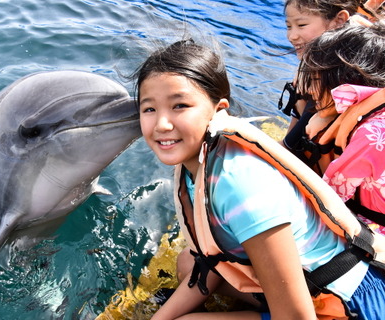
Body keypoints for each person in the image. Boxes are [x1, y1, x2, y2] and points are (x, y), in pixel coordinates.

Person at [132, 39, 385, 319]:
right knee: (186, 266)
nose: (162, 124)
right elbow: (211, 262)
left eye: (179, 105)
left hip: (355, 306)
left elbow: (296, 317)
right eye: (149, 109)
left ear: (218, 110)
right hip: (313, 289)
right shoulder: (202, 160)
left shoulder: (239, 183)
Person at [295, 22, 385, 235]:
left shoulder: (371, 135)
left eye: (316, 78)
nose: (308, 89)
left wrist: (315, 134)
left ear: (345, 81)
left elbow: (328, 202)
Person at [279, 0, 362, 175]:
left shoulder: (343, 76)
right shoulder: (311, 65)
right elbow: (290, 139)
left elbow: (287, 149)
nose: (291, 36)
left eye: (301, 25)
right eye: (288, 26)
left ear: (339, 20)